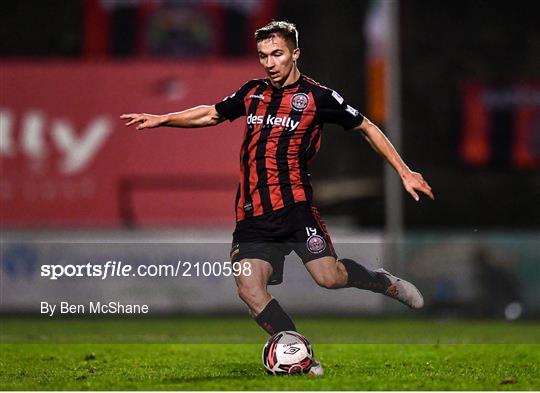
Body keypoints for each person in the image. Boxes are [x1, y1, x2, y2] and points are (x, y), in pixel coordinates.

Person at [121, 21, 434, 376]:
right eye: (263, 56)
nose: (269, 63)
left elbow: (366, 127)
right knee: (249, 287)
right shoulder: (252, 92)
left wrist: (404, 171)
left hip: (295, 209)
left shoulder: (318, 97)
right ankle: (299, 353)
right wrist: (163, 119)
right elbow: (210, 112)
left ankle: (381, 281)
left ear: (295, 54)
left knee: (328, 278)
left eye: (277, 54)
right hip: (253, 213)